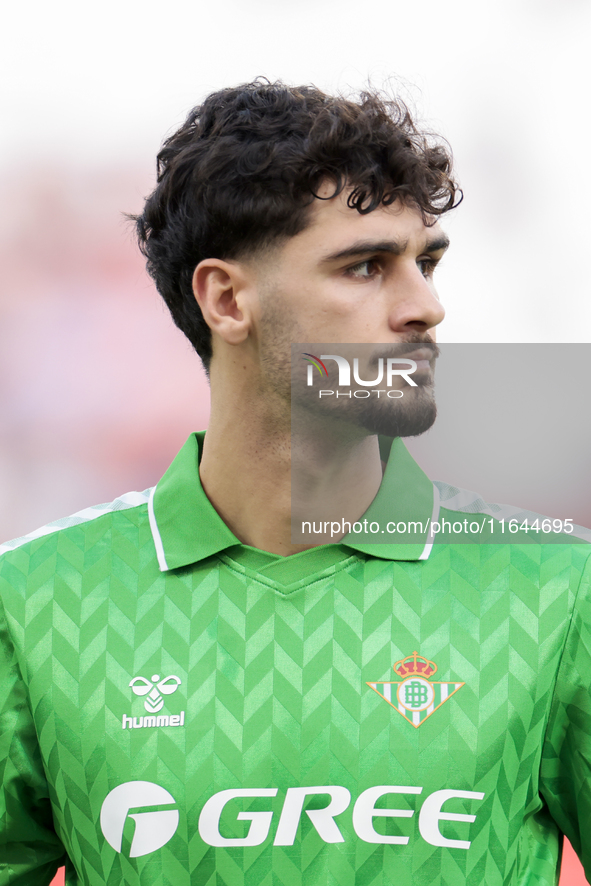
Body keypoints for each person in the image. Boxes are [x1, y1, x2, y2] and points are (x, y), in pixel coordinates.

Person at [1, 80, 590, 886]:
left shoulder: (558, 589)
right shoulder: (33, 602)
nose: (425, 307)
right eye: (364, 267)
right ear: (226, 298)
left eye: (425, 262)